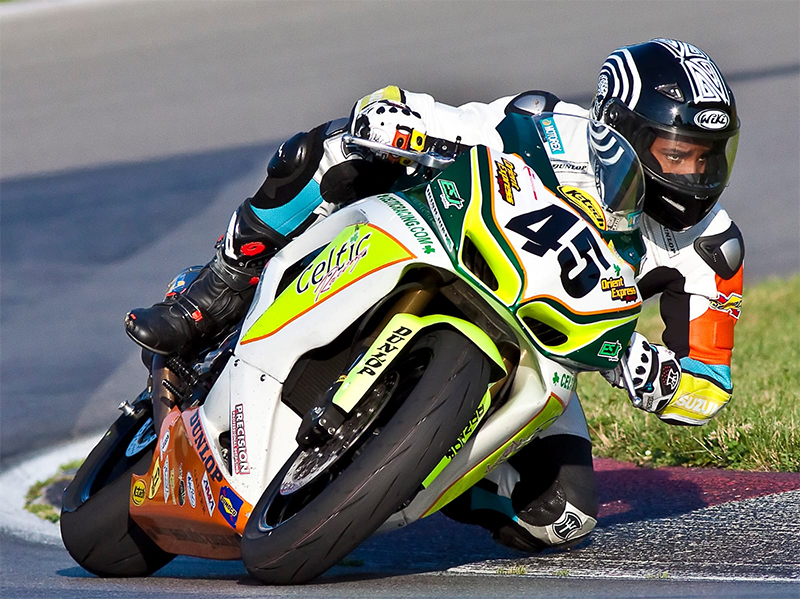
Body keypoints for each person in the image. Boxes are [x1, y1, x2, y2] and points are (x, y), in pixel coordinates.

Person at [125, 38, 743, 553]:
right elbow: (447, 120)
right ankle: (217, 289)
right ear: (621, 129)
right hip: (447, 249)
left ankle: (408, 474)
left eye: (710, 157)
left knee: (564, 515)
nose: (696, 176)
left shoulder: (713, 249)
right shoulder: (548, 126)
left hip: (546, 350)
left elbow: (709, 385)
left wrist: (649, 373)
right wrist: (398, 119)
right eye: (678, 154)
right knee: (331, 150)